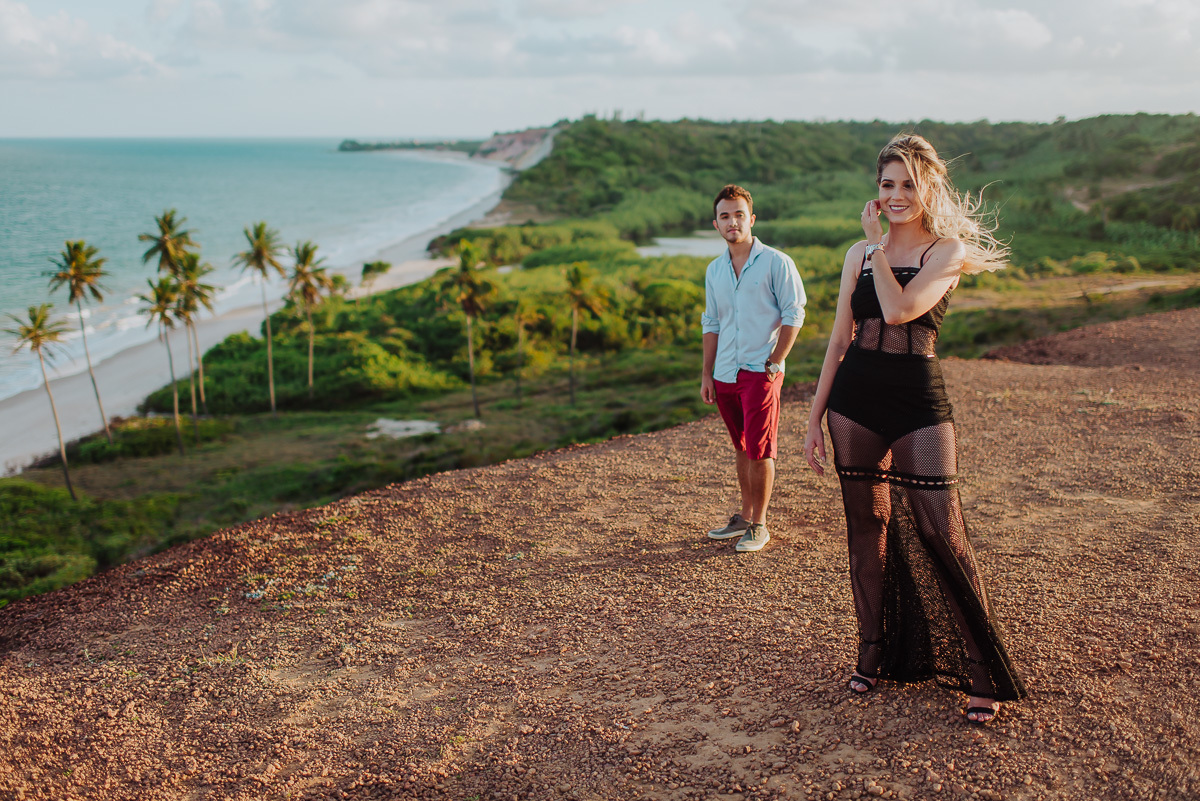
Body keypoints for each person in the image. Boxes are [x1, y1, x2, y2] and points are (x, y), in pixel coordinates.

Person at [802, 134, 1026, 724]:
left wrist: (878, 250)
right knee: (865, 533)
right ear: (876, 190)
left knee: (943, 533)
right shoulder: (857, 253)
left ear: (926, 189)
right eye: (887, 184)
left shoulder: (943, 251)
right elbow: (838, 341)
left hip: (917, 402)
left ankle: (981, 669)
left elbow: (901, 312)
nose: (896, 195)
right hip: (854, 403)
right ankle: (871, 653)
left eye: (907, 184)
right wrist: (812, 418)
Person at [701, 184, 806, 553]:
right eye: (725, 216)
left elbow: (795, 313)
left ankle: (759, 524)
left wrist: (776, 360)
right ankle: (745, 517)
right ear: (716, 224)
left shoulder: (777, 262)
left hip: (759, 370)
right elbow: (711, 323)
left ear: (752, 219)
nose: (733, 222)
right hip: (725, 372)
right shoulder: (714, 271)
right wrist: (706, 374)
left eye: (739, 214)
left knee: (761, 449)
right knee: (742, 445)